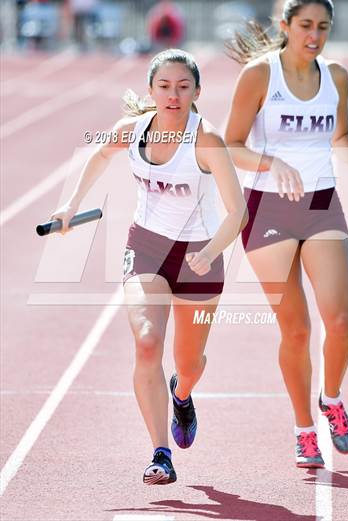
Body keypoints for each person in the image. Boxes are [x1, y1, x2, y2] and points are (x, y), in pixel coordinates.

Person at [50, 49, 247, 484]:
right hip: (146, 248)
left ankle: (182, 393)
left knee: (190, 361)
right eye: (164, 86)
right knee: (146, 341)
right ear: (151, 90)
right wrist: (70, 206)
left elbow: (237, 213)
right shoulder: (131, 131)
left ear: (197, 91)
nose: (173, 95)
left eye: (182, 87)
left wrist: (211, 251)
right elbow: (99, 157)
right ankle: (161, 452)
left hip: (200, 255)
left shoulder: (206, 140)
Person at [224, 0, 348, 468]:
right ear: (285, 25)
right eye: (306, 25)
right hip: (268, 210)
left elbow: (341, 135)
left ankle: (330, 400)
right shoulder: (259, 75)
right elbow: (230, 144)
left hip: (321, 205)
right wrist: (271, 164)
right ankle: (303, 430)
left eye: (324, 27)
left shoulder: (336, 76)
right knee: (296, 331)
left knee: (342, 323)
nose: (315, 36)